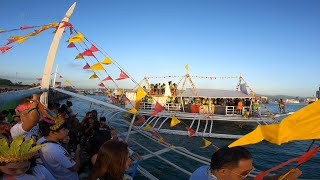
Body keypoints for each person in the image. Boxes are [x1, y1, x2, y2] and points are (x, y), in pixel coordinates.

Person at [190, 146, 302, 180]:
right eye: (243, 173)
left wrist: (278, 177)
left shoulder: (204, 169)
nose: (245, 177)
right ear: (223, 171)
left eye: (249, 171)